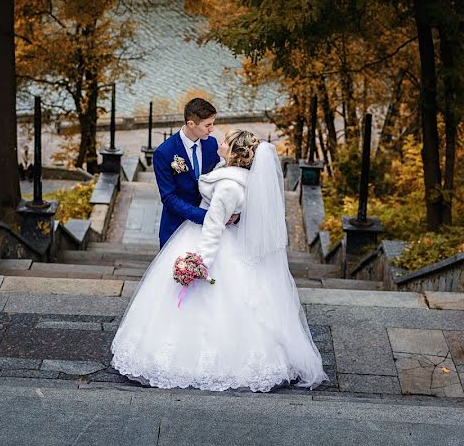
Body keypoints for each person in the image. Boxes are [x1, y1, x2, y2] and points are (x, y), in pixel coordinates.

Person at [111, 129, 327, 392]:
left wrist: (198, 262)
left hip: (211, 243)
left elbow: (213, 228)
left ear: (235, 153)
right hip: (231, 240)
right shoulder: (244, 178)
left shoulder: (227, 186)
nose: (219, 143)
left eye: (225, 142)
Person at [152, 98, 222, 248]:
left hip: (208, 230)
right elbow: (169, 197)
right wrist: (204, 216)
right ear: (191, 124)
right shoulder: (164, 152)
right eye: (207, 125)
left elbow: (218, 177)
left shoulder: (211, 143)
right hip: (176, 226)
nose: (212, 129)